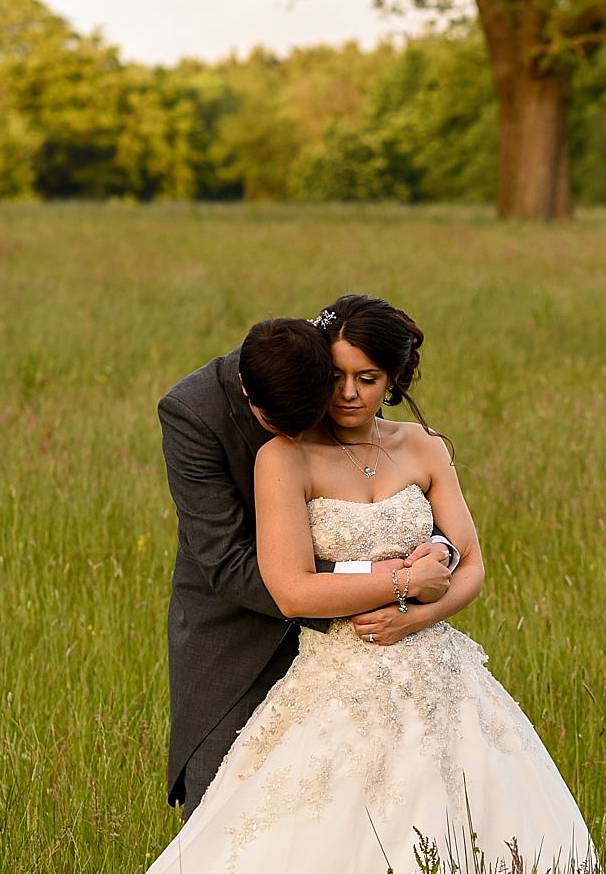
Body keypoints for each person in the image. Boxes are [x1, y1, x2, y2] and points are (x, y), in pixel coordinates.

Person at [0, 297, 606, 874]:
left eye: (367, 378)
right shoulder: (282, 453)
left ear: (394, 379)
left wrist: (420, 606)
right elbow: (282, 582)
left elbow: (468, 562)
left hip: (442, 676)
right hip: (330, 669)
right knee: (295, 844)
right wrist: (395, 580)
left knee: (481, 830)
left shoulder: (425, 448)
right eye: (338, 377)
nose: (349, 394)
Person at [155, 316, 459, 823]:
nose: (303, 436)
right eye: (282, 427)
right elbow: (227, 564)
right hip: (237, 634)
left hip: (372, 646)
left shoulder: (325, 357)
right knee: (222, 811)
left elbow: (393, 487)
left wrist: (440, 548)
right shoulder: (192, 413)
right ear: (250, 394)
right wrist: (384, 581)